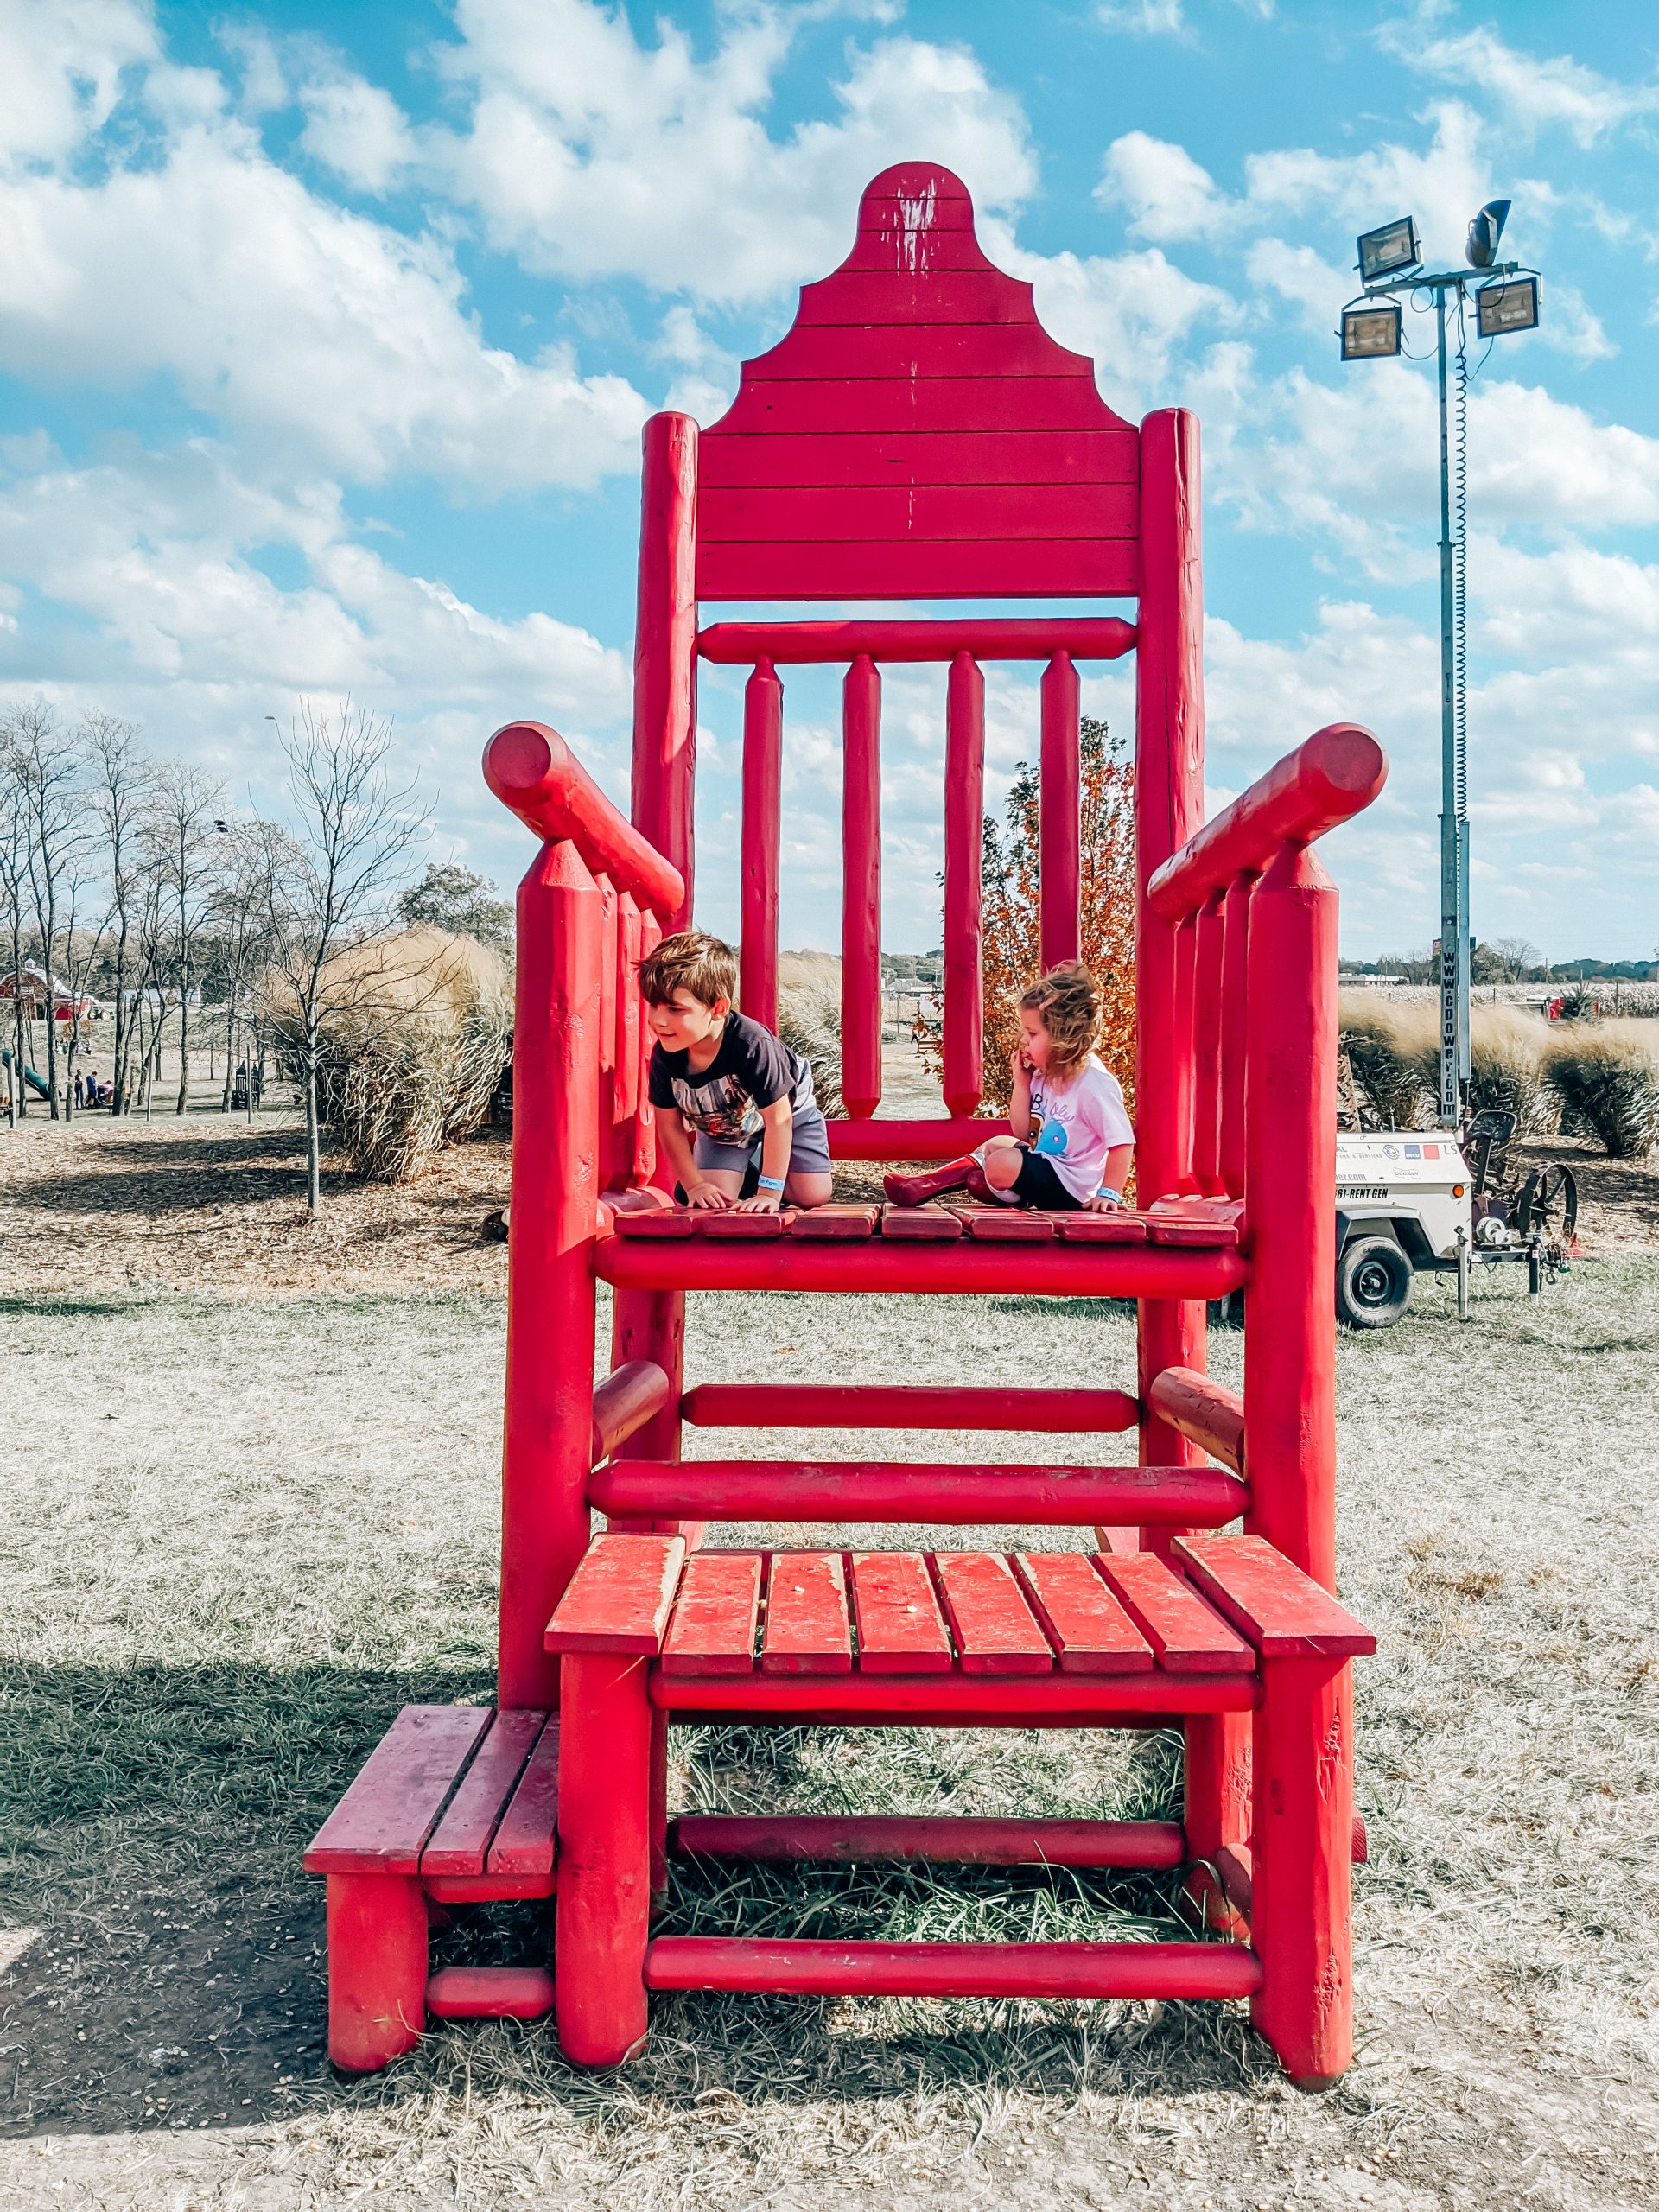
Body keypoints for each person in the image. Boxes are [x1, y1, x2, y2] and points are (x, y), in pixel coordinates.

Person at [885, 961, 1134, 1212]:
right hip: (1047, 1166)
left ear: (1064, 1037)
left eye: (1033, 1034)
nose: (1024, 1040)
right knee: (997, 1144)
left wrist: (1108, 1193)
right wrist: (1022, 1083)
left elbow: (1121, 1142)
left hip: (1074, 1189)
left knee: (1000, 1163)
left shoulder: (1093, 1082)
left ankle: (1007, 1192)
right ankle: (923, 1185)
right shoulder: (1044, 1075)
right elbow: (1024, 1132)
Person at [640, 931, 835, 1213]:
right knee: (716, 1198)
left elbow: (779, 1120)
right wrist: (695, 1185)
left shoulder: (752, 1045)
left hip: (786, 1114)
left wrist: (769, 1193)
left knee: (812, 1195)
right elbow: (669, 1127)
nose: (658, 1020)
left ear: (718, 1008)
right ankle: (748, 1169)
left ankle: (763, 1167)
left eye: (674, 1009)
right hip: (724, 1124)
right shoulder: (666, 1056)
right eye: (654, 1006)